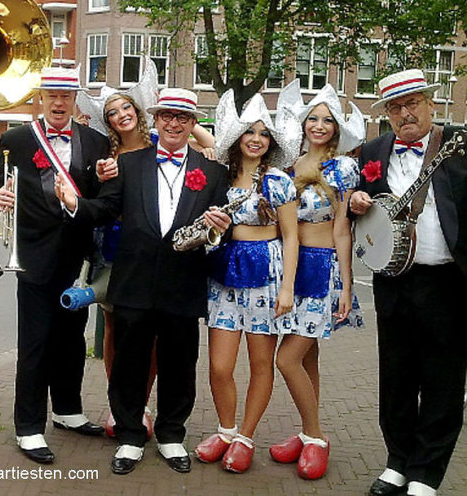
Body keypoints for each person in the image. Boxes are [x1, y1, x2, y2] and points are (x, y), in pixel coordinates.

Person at [56, 87, 231, 475]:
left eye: (182, 118)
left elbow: (221, 234)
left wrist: (218, 230)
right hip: (133, 281)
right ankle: (130, 436)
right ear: (156, 119)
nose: (173, 123)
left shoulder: (214, 173)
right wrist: (74, 204)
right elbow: (105, 209)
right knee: (128, 365)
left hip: (183, 284)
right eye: (167, 115)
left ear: (192, 125)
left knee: (180, 364)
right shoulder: (130, 163)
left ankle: (171, 435)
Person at [0, 66, 109, 464]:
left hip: (78, 259)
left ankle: (67, 411)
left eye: (65, 96)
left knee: (72, 340)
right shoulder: (17, 139)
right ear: (41, 97)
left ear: (74, 101)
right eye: (51, 94)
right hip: (33, 257)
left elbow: (102, 201)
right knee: (35, 344)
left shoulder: (96, 141)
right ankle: (29, 427)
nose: (57, 102)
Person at [350, 69, 467, 496]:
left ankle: (426, 473)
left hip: (449, 283)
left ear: (430, 104)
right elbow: (364, 210)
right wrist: (355, 200)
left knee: (443, 380)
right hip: (394, 281)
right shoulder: (374, 151)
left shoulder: (458, 144)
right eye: (395, 108)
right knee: (395, 376)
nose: (405, 113)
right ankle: (397, 461)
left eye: (412, 103)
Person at [194, 90, 300, 474]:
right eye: (249, 132)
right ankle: (225, 429)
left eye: (264, 134)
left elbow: (291, 236)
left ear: (271, 142)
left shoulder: (278, 182)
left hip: (265, 274)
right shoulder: (219, 176)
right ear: (238, 138)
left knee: (260, 363)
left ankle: (246, 436)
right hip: (224, 273)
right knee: (220, 366)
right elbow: (196, 135)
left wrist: (287, 287)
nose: (256, 139)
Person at [268, 80, 365, 480]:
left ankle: (316, 435)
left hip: (322, 269)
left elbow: (343, 230)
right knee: (307, 358)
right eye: (314, 119)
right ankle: (307, 435)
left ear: (337, 130)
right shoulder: (290, 166)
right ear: (303, 123)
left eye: (327, 121)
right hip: (291, 266)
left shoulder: (341, 168)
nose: (320, 126)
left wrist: (347, 284)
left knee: (286, 358)